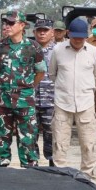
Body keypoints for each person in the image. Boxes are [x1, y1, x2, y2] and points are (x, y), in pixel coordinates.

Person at [0, 10, 46, 167]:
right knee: (0, 136)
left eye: (12, 23)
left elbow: (40, 71)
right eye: (7, 23)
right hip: (2, 100)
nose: (8, 25)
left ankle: (30, 169)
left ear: (22, 25)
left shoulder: (33, 47)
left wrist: (29, 86)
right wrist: (1, 83)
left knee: (28, 137)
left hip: (25, 100)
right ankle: (0, 170)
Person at [48, 18, 96, 180]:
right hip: (62, 103)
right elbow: (53, 74)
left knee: (88, 142)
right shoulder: (58, 50)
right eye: (75, 36)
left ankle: (88, 175)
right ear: (68, 34)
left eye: (82, 37)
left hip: (85, 103)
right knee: (60, 142)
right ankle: (60, 175)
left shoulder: (93, 52)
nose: (78, 40)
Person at [33, 18, 57, 165]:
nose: (42, 33)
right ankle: (33, 165)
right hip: (31, 99)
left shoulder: (59, 51)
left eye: (45, 30)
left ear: (52, 32)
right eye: (39, 31)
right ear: (34, 32)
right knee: (30, 135)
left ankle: (53, 165)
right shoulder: (28, 49)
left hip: (52, 99)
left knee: (52, 135)